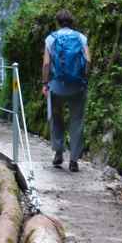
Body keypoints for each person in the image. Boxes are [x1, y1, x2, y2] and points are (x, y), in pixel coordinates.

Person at [41, 9, 91, 172]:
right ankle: (74, 160)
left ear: (58, 22)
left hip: (57, 87)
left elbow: (47, 64)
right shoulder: (81, 38)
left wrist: (45, 83)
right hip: (77, 86)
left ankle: (58, 153)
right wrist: (83, 78)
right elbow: (88, 60)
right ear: (72, 22)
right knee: (77, 122)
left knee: (56, 118)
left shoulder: (51, 39)